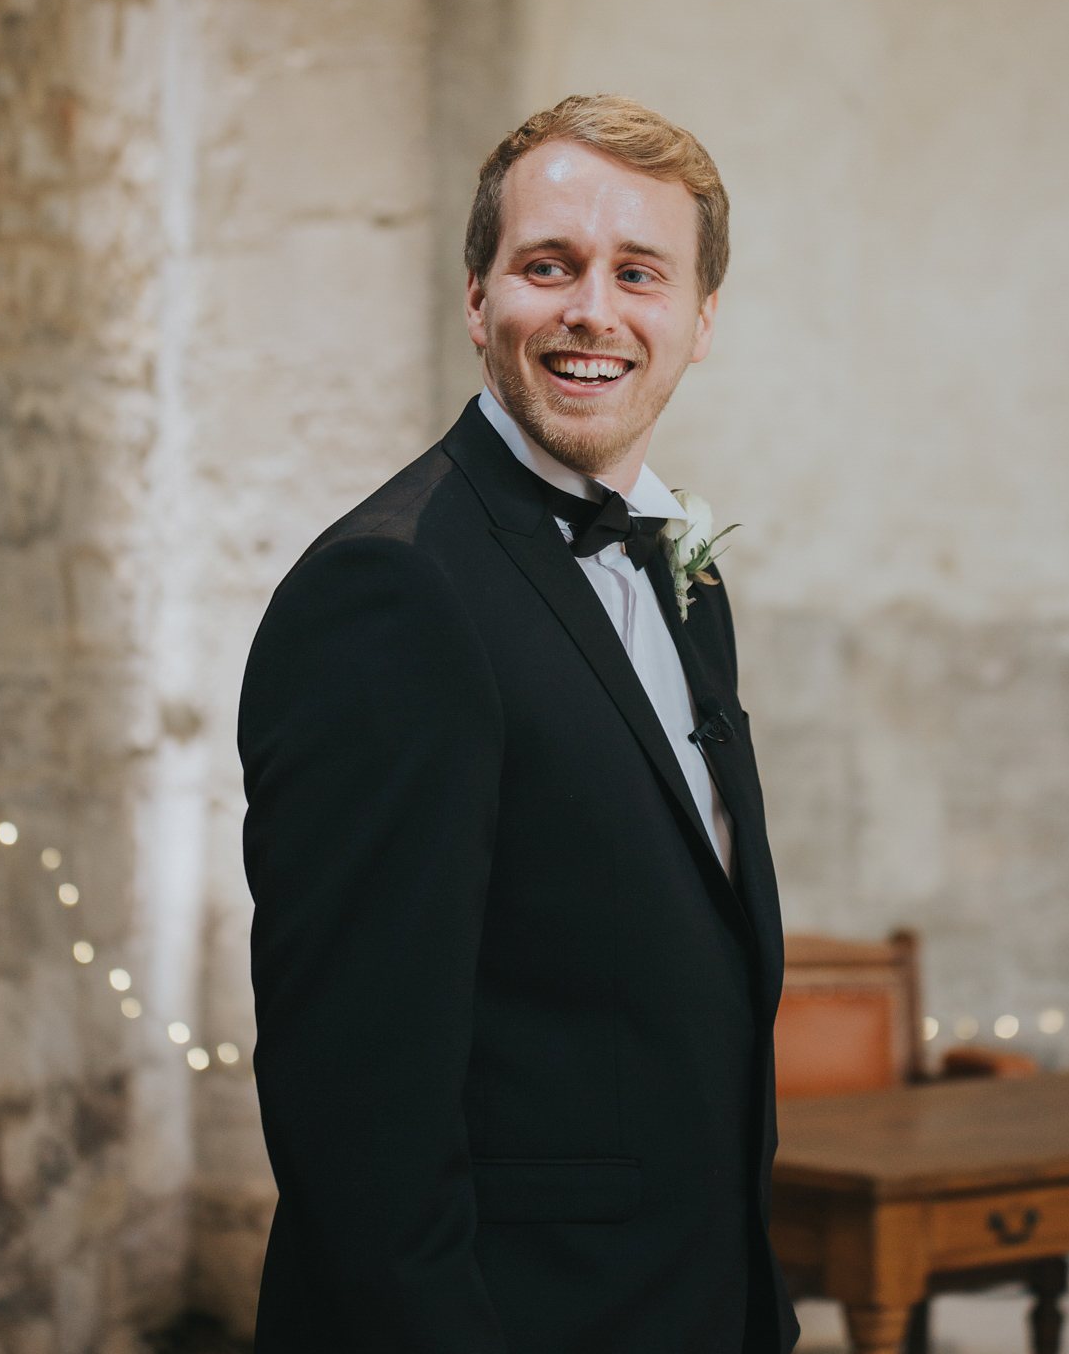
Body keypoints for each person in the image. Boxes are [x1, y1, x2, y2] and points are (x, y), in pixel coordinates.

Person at [239, 94, 797, 1353]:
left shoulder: (686, 567)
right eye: (549, 266)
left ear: (701, 320)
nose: (593, 309)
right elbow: (358, 1120)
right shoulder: (389, 594)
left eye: (639, 273)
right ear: (479, 300)